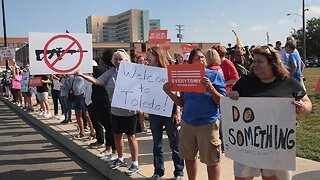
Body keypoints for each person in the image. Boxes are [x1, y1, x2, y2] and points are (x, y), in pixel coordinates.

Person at [227, 45, 312, 180]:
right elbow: (230, 100)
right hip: (247, 142)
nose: (255, 65)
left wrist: (302, 107)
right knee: (243, 177)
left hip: (276, 145)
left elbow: (308, 103)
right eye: (254, 61)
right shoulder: (244, 83)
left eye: (259, 61)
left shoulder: (288, 83)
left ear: (272, 63)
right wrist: (232, 95)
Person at [75, 49, 141, 176]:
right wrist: (82, 75)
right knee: (117, 135)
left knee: (131, 137)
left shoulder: (133, 72)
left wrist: (139, 105)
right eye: (116, 59)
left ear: (126, 60)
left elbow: (142, 88)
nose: (118, 61)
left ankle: (135, 163)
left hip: (129, 111)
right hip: (115, 110)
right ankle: (121, 159)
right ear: (112, 61)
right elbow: (98, 81)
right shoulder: (110, 73)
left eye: (121, 59)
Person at [163, 48, 226, 180]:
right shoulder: (186, 77)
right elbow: (182, 103)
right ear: (191, 61)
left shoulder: (214, 76)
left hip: (208, 123)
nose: (202, 59)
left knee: (212, 160)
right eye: (198, 57)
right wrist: (169, 93)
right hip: (188, 123)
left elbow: (222, 101)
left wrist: (210, 88)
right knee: (189, 157)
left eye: (203, 57)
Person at [146, 46, 184, 180]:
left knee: (174, 144)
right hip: (154, 112)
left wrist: (177, 112)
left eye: (149, 55)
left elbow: (177, 91)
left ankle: (179, 172)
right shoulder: (146, 72)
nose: (146, 58)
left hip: (170, 111)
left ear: (156, 56)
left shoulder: (168, 72)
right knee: (157, 144)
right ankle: (158, 172)